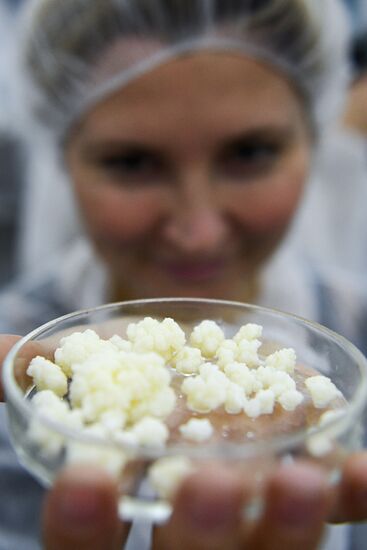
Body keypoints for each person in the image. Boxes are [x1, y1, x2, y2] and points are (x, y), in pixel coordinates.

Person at [1, 0, 367, 548]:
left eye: (250, 152)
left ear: (313, 141)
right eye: (132, 162)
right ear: (63, 157)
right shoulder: (19, 375)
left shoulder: (358, 329)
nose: (199, 231)